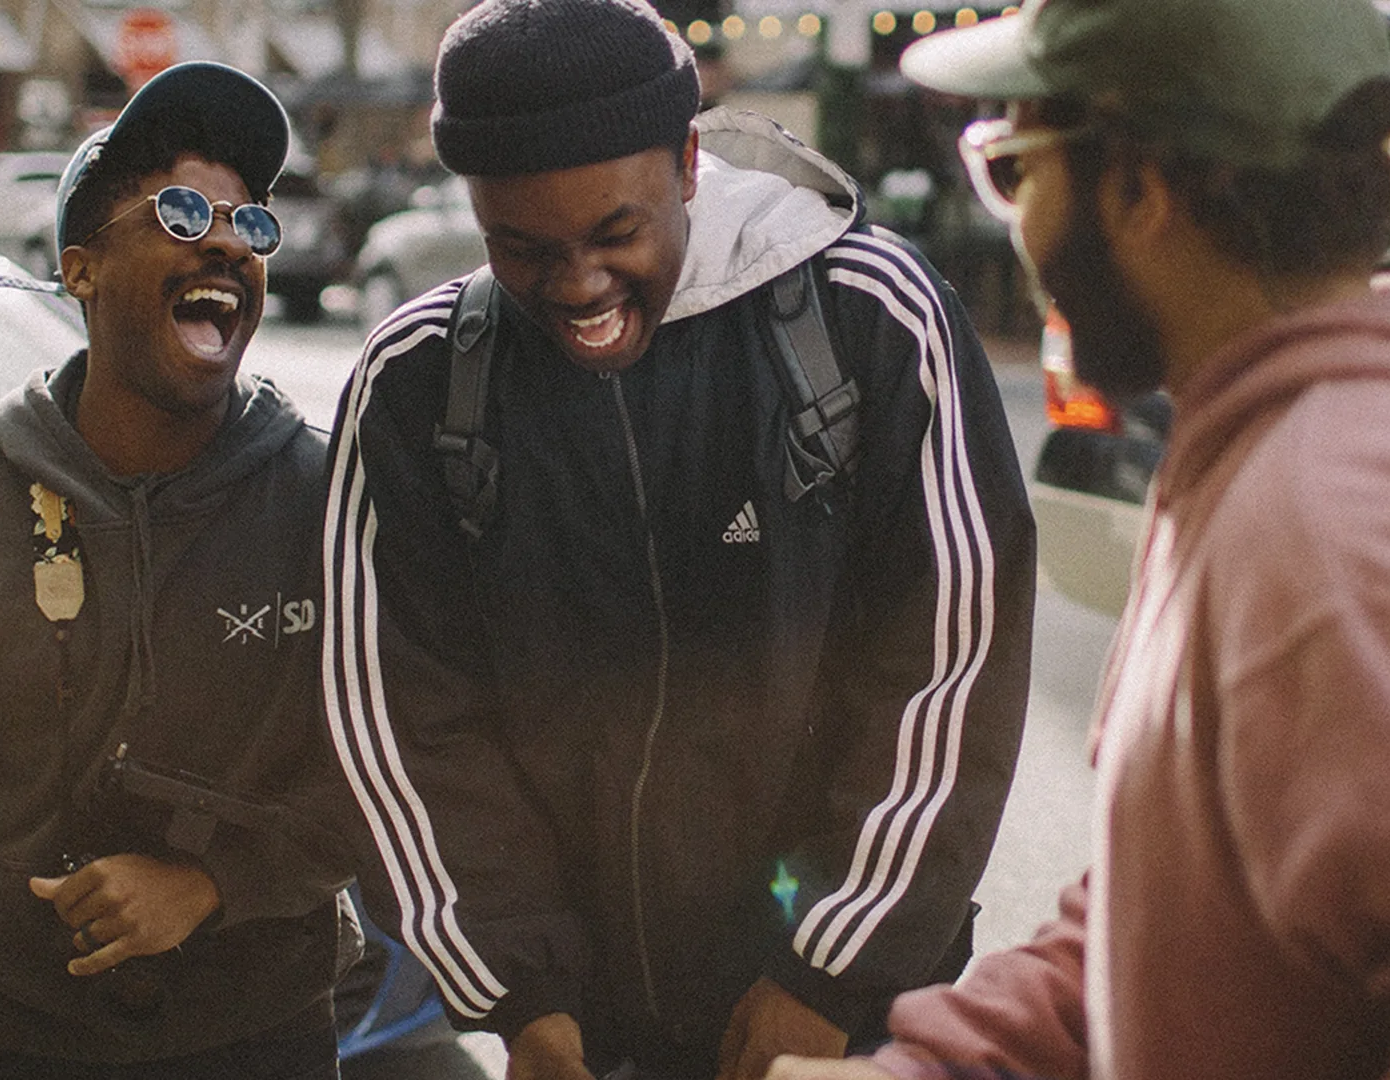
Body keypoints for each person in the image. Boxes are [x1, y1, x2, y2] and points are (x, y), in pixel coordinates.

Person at [768, 0, 1390, 1077]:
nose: (1018, 226)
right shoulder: (1274, 459)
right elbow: (1169, 906)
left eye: (1016, 169)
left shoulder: (1343, 543)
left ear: (1140, 190)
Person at [320, 1, 1036, 1078]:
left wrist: (826, 970)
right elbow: (399, 718)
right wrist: (525, 996)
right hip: (579, 1028)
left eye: (617, 233)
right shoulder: (416, 380)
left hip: (848, 1024)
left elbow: (950, 665)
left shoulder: (870, 315)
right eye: (522, 247)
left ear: (690, 163)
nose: (578, 287)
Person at [0, 62, 357, 1080]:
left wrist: (212, 881)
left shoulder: (331, 492)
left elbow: (399, 770)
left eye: (252, 225)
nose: (224, 240)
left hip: (267, 1038)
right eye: (177, 210)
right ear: (79, 270)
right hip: (22, 1046)